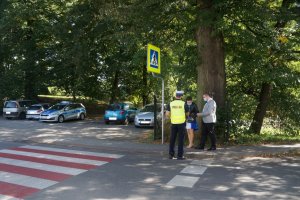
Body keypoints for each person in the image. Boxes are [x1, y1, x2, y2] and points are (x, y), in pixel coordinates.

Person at [166, 91, 188, 160]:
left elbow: (167, 114)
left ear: (175, 96)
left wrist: (170, 117)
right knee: (181, 139)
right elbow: (187, 113)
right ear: (181, 96)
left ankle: (171, 155)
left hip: (173, 123)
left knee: (172, 139)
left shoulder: (170, 104)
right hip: (181, 123)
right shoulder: (184, 104)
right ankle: (180, 155)